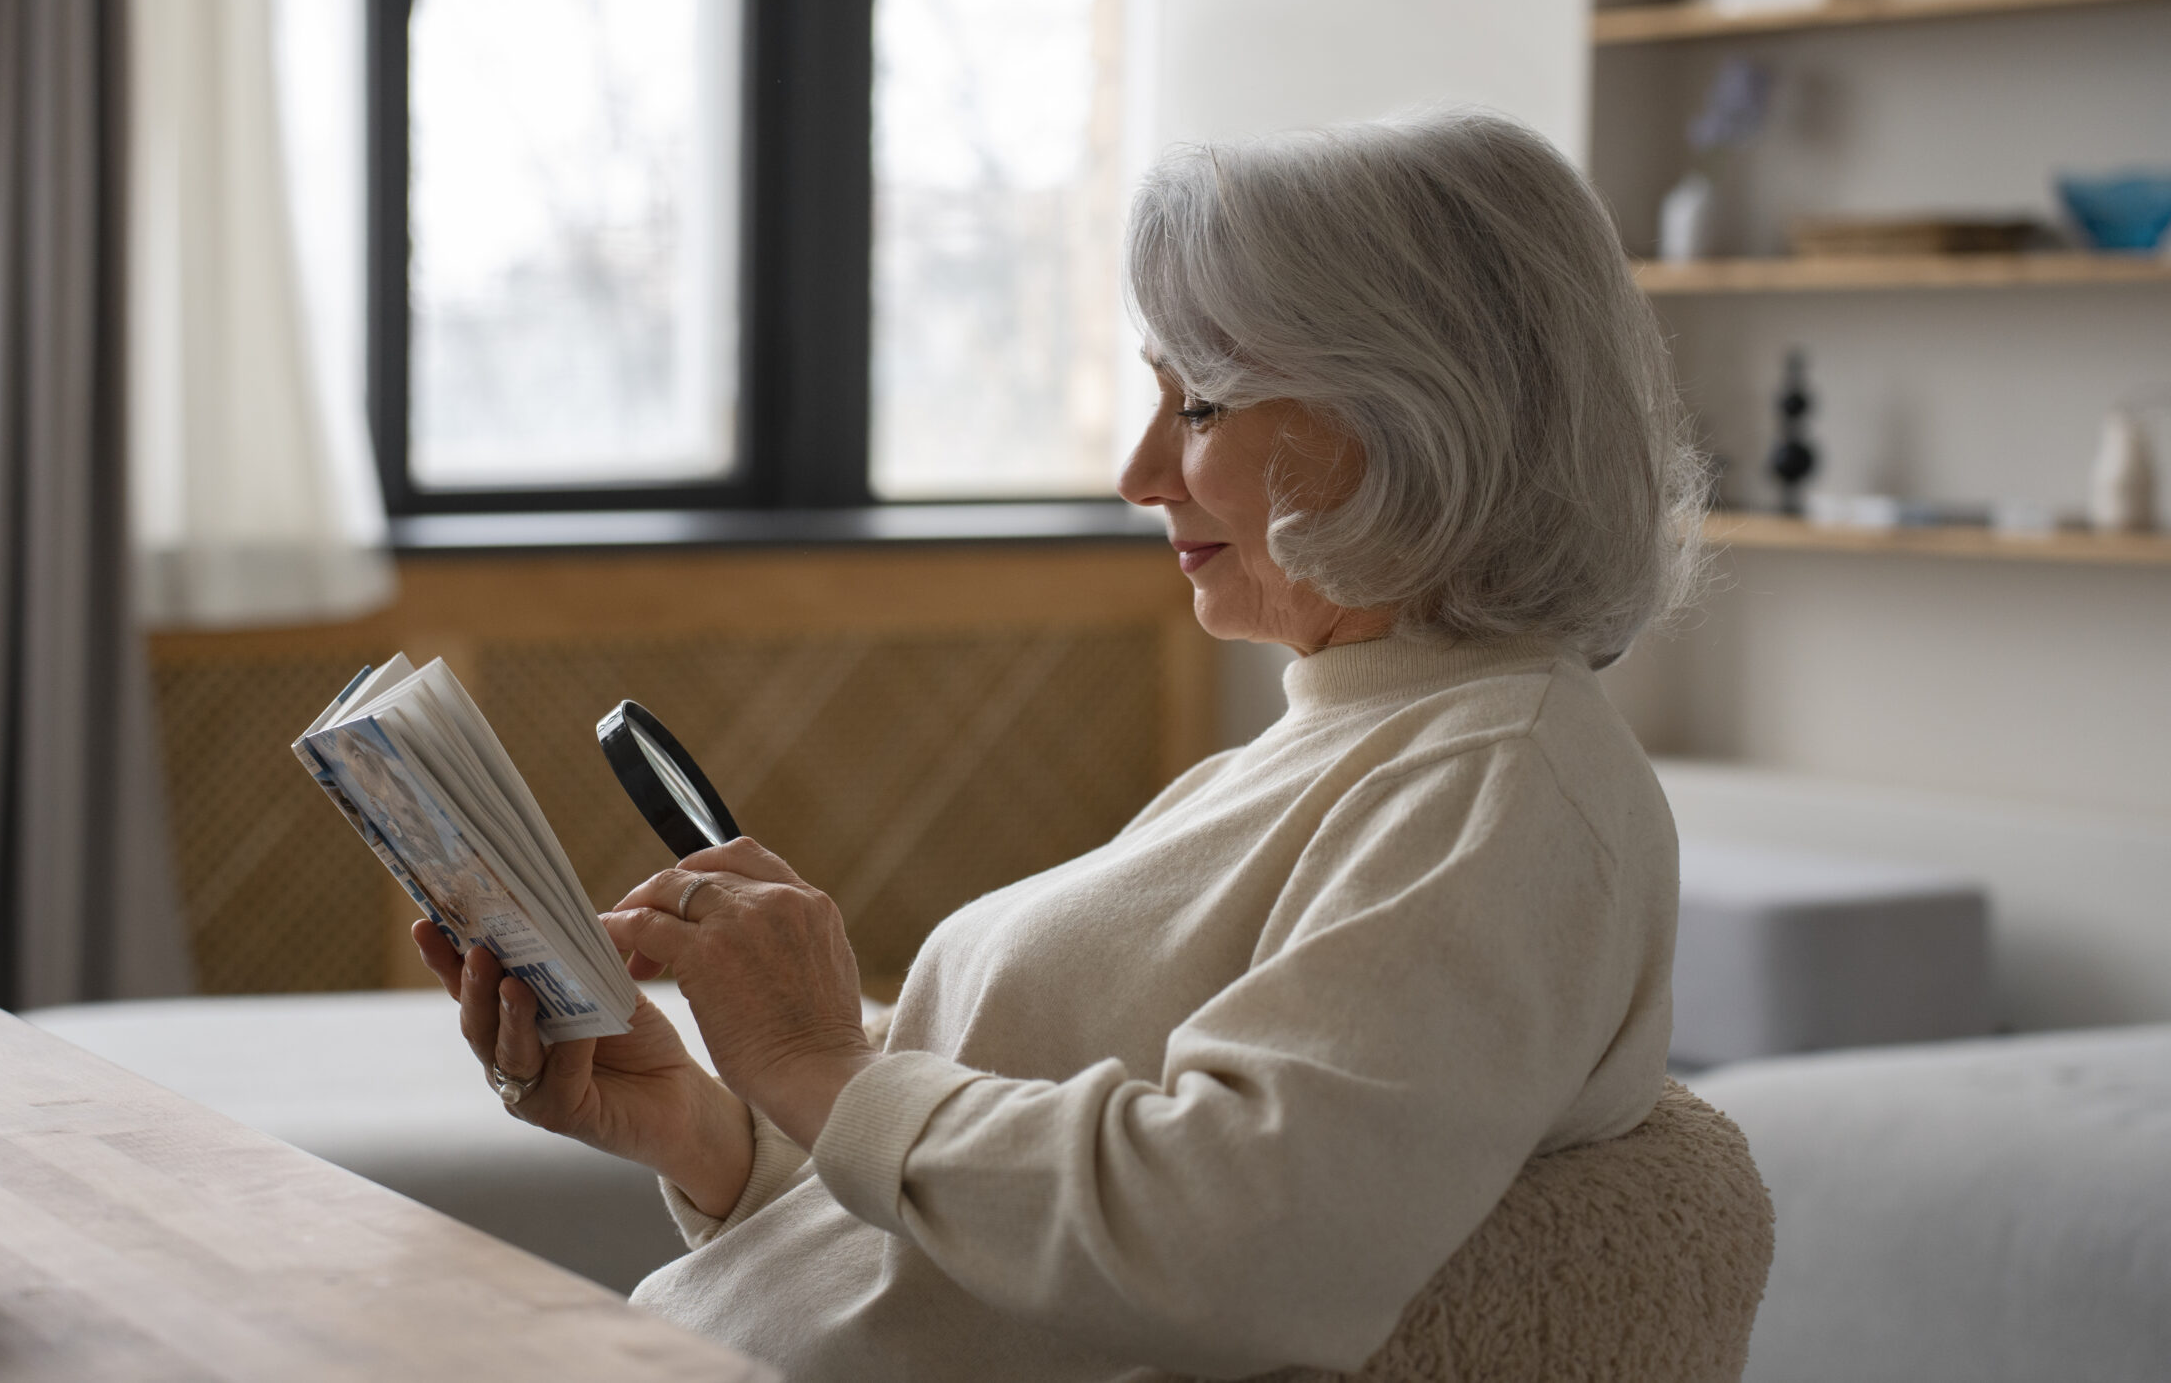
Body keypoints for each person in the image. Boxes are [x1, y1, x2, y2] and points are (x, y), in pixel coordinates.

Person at [413, 108, 1707, 1381]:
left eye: (1199, 402)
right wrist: (712, 1128)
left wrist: (824, 1067)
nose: (1141, 472)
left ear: (1421, 417)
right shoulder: (1348, 748)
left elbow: (1249, 1249)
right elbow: (977, 1281)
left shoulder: (1504, 783)